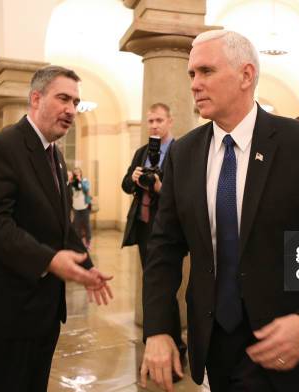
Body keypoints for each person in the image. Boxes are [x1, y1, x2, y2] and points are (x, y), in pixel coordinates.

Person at [139, 30, 299, 392]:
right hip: (213, 340)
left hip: (286, 343)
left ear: (246, 75)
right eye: (191, 75)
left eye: (206, 71)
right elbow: (164, 249)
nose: (195, 84)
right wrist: (159, 329)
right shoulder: (185, 153)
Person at [0, 65, 113, 391]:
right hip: (3, 316)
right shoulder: (2, 148)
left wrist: (87, 266)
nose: (71, 110)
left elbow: (61, 225)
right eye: (63, 99)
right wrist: (49, 260)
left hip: (41, 314)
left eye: (75, 101)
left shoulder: (54, 155)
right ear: (35, 98)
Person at [121, 102, 186, 372]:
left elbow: (183, 195)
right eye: (150, 121)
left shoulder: (180, 151)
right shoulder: (142, 152)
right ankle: (158, 339)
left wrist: (161, 188)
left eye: (159, 120)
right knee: (152, 283)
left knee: (163, 285)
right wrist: (135, 178)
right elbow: (125, 185)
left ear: (170, 121)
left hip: (168, 229)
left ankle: (171, 342)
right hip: (144, 226)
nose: (155, 125)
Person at [70, 167, 92, 248]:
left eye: (78, 172)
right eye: (75, 173)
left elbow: (86, 189)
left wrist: (80, 181)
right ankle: (79, 243)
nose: (76, 174)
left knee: (87, 225)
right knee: (77, 225)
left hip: (85, 206)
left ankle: (88, 241)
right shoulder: (71, 183)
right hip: (76, 207)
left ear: (81, 173)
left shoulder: (85, 180)